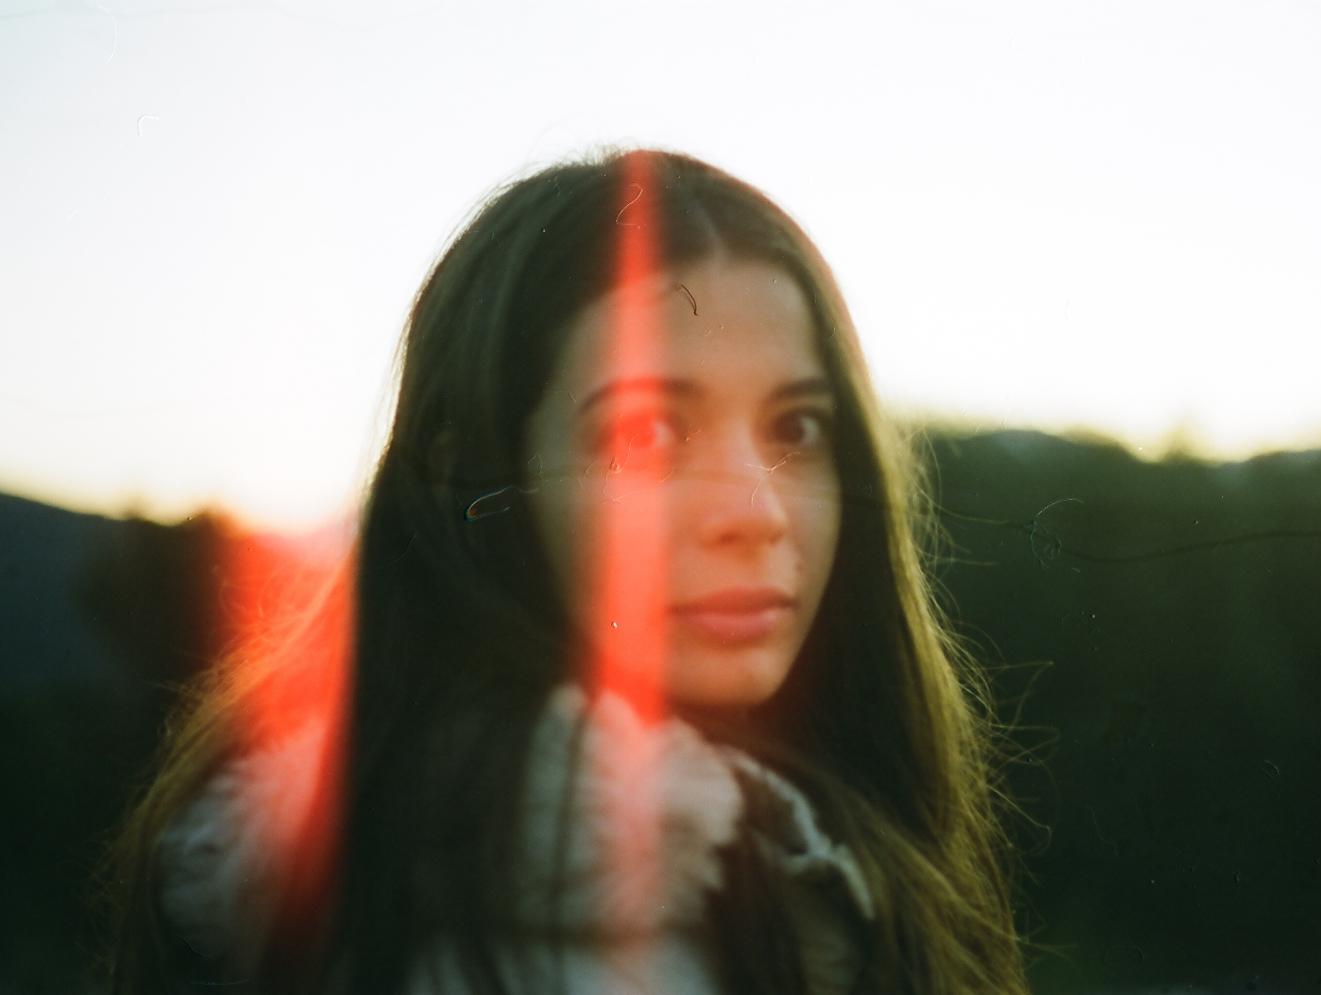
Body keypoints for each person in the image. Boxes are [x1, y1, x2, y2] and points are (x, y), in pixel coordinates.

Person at [103, 149, 1028, 994]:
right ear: (478, 482)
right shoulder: (525, 945)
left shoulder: (768, 860)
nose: (757, 511)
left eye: (796, 427)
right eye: (649, 432)